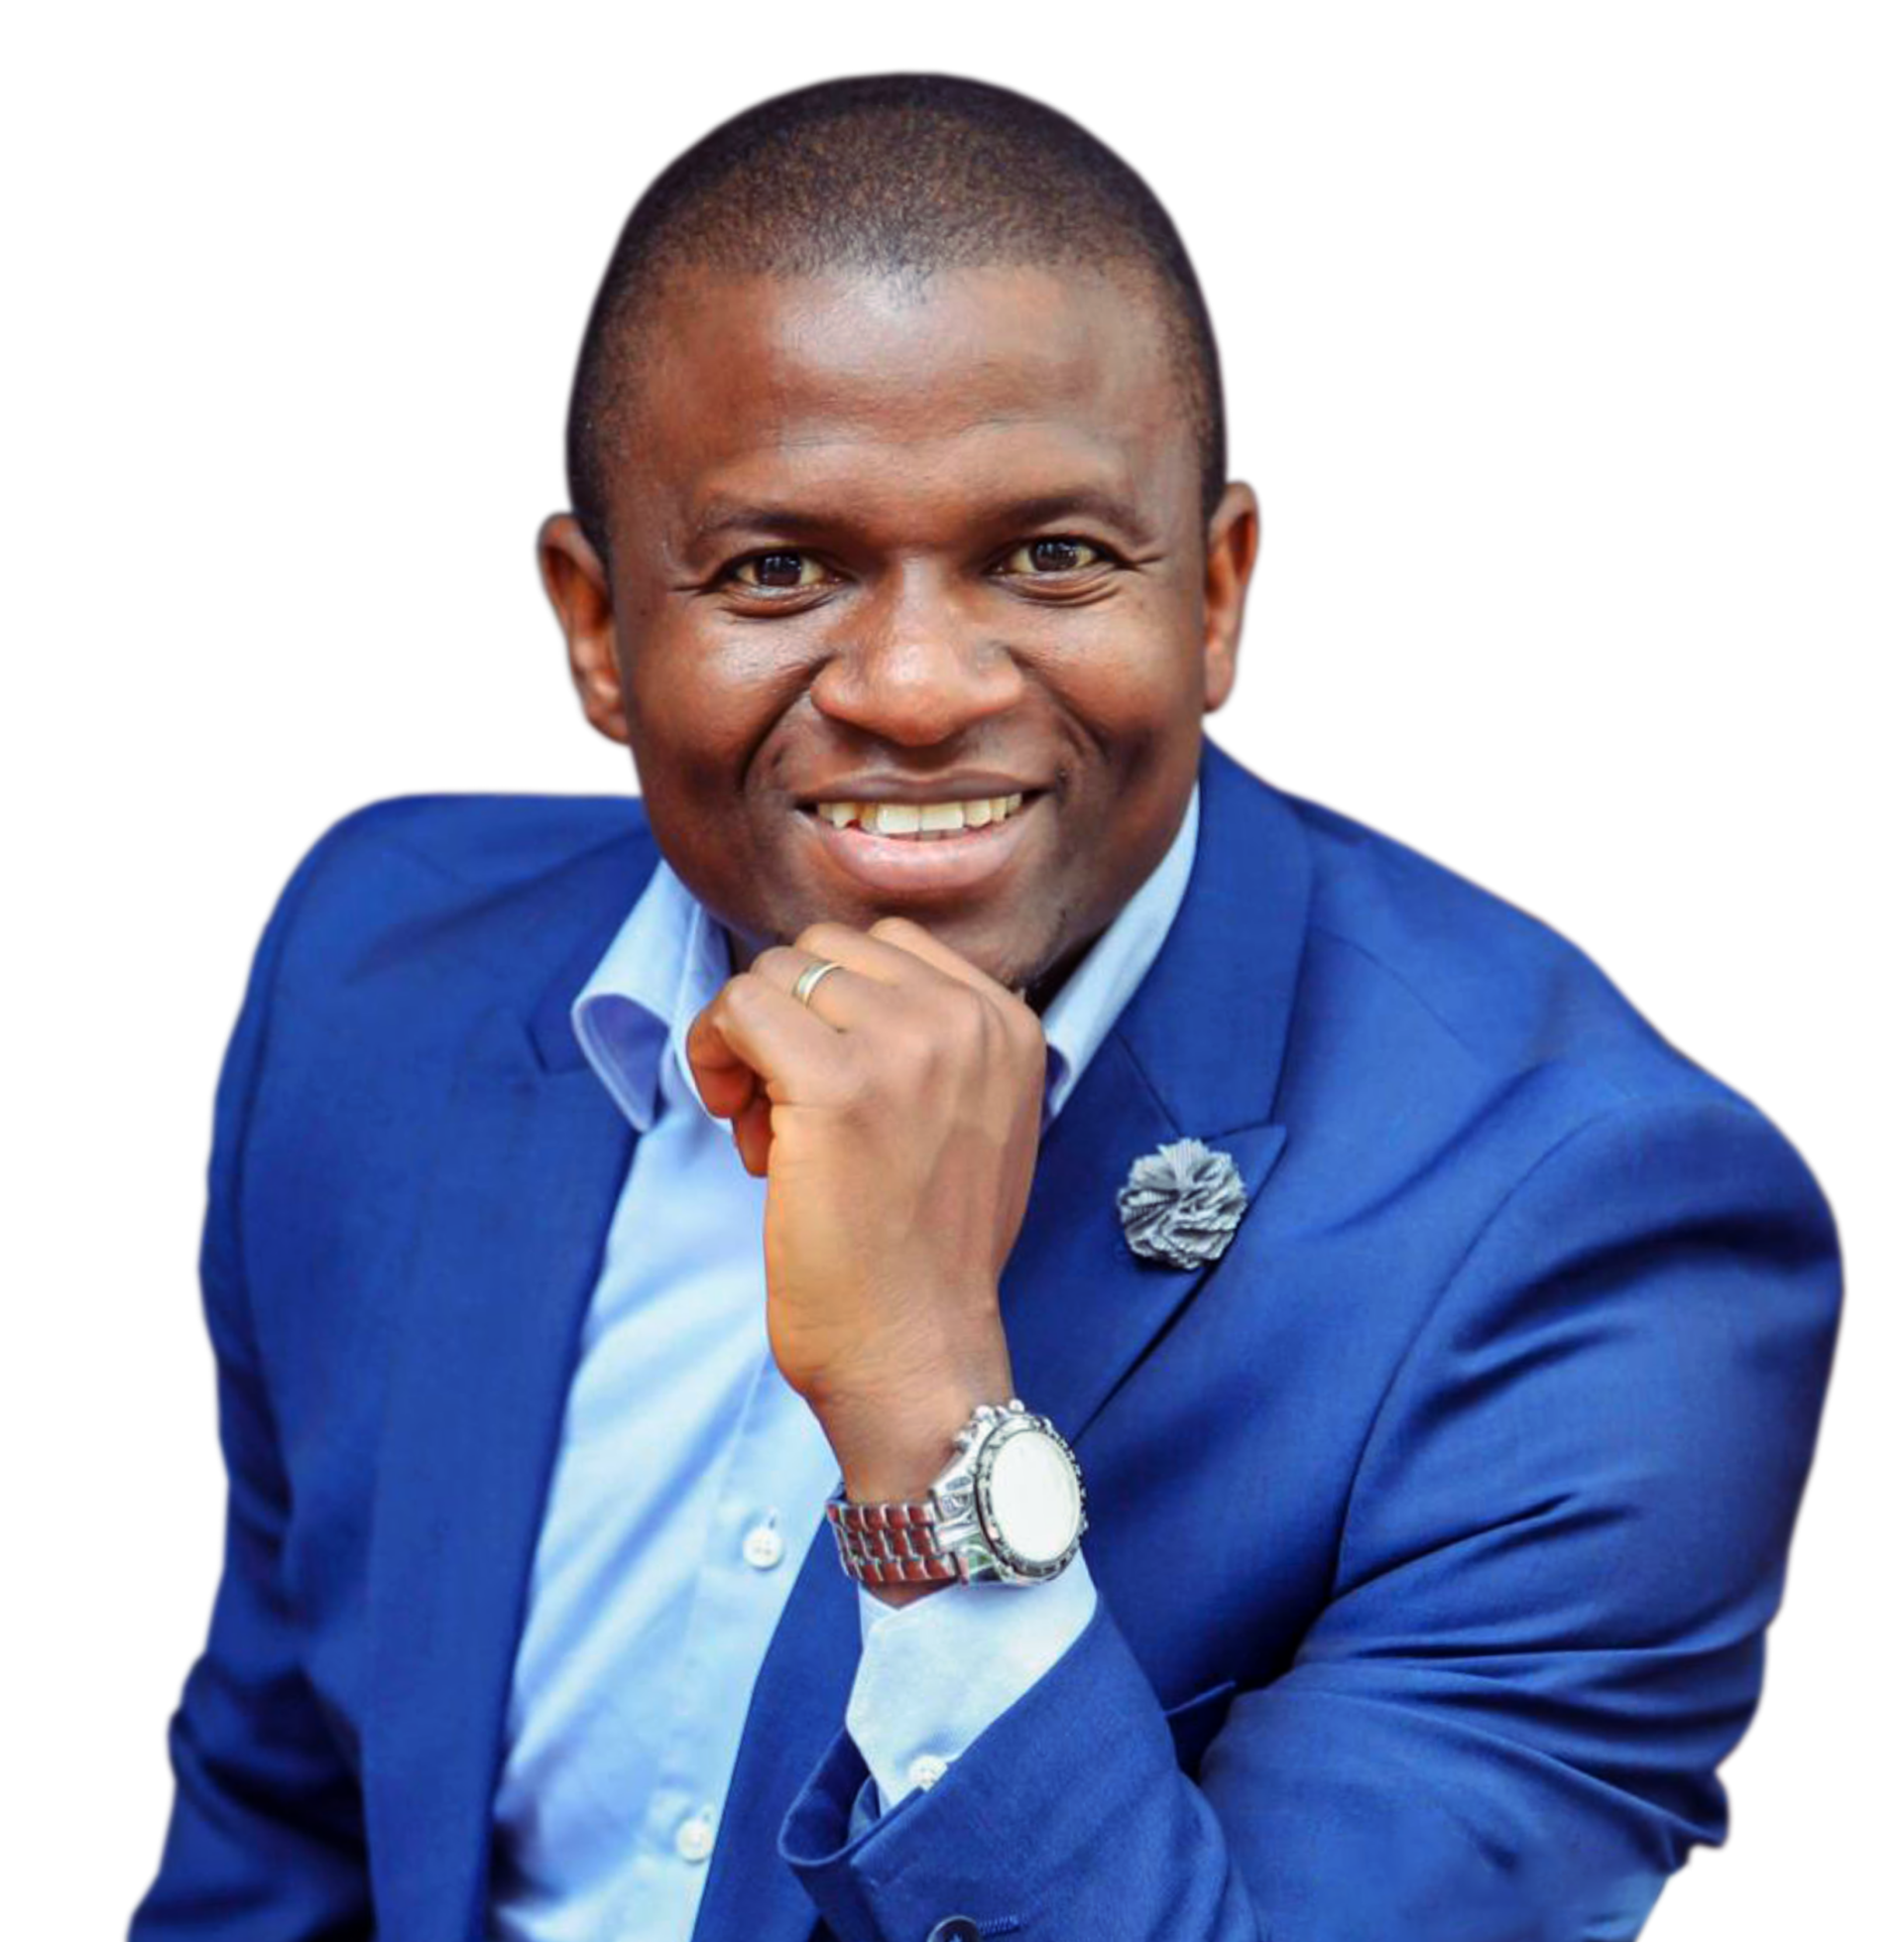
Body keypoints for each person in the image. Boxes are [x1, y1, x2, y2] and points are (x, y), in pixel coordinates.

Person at [126, 68, 1844, 1942]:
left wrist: (930, 1412)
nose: (922, 687)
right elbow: (281, 1815)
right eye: (779, 568)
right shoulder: (381, 962)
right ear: (595, 630)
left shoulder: (1591, 1226)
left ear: (1219, 597)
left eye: (1052, 557)